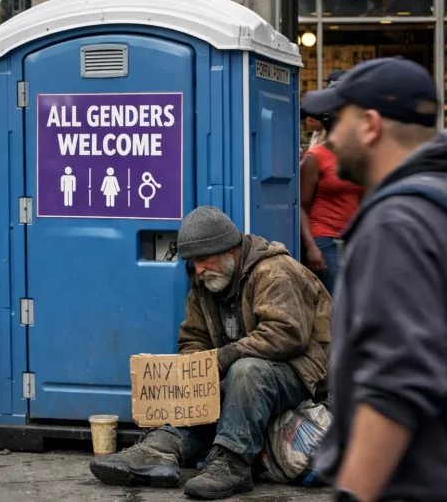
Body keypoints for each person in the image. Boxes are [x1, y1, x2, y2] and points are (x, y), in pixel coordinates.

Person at [90, 206, 332, 500]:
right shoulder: (205, 283)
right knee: (206, 386)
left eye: (203, 259)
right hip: (244, 376)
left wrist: (225, 357)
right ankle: (161, 449)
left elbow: (286, 334)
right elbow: (194, 337)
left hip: (301, 372)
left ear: (230, 250)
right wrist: (196, 371)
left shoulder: (274, 272)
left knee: (246, 371)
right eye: (193, 262)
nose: (198, 269)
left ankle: (233, 464)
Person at [303, 57, 447, 502]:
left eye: (336, 119)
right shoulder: (435, 198)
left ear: (369, 125)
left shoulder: (395, 223)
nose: (328, 134)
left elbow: (395, 381)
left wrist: (354, 493)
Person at [300, 94, 364, 293]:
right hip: (326, 239)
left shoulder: (357, 156)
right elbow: (301, 206)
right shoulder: (314, 158)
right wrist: (311, 247)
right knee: (337, 301)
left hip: (353, 238)